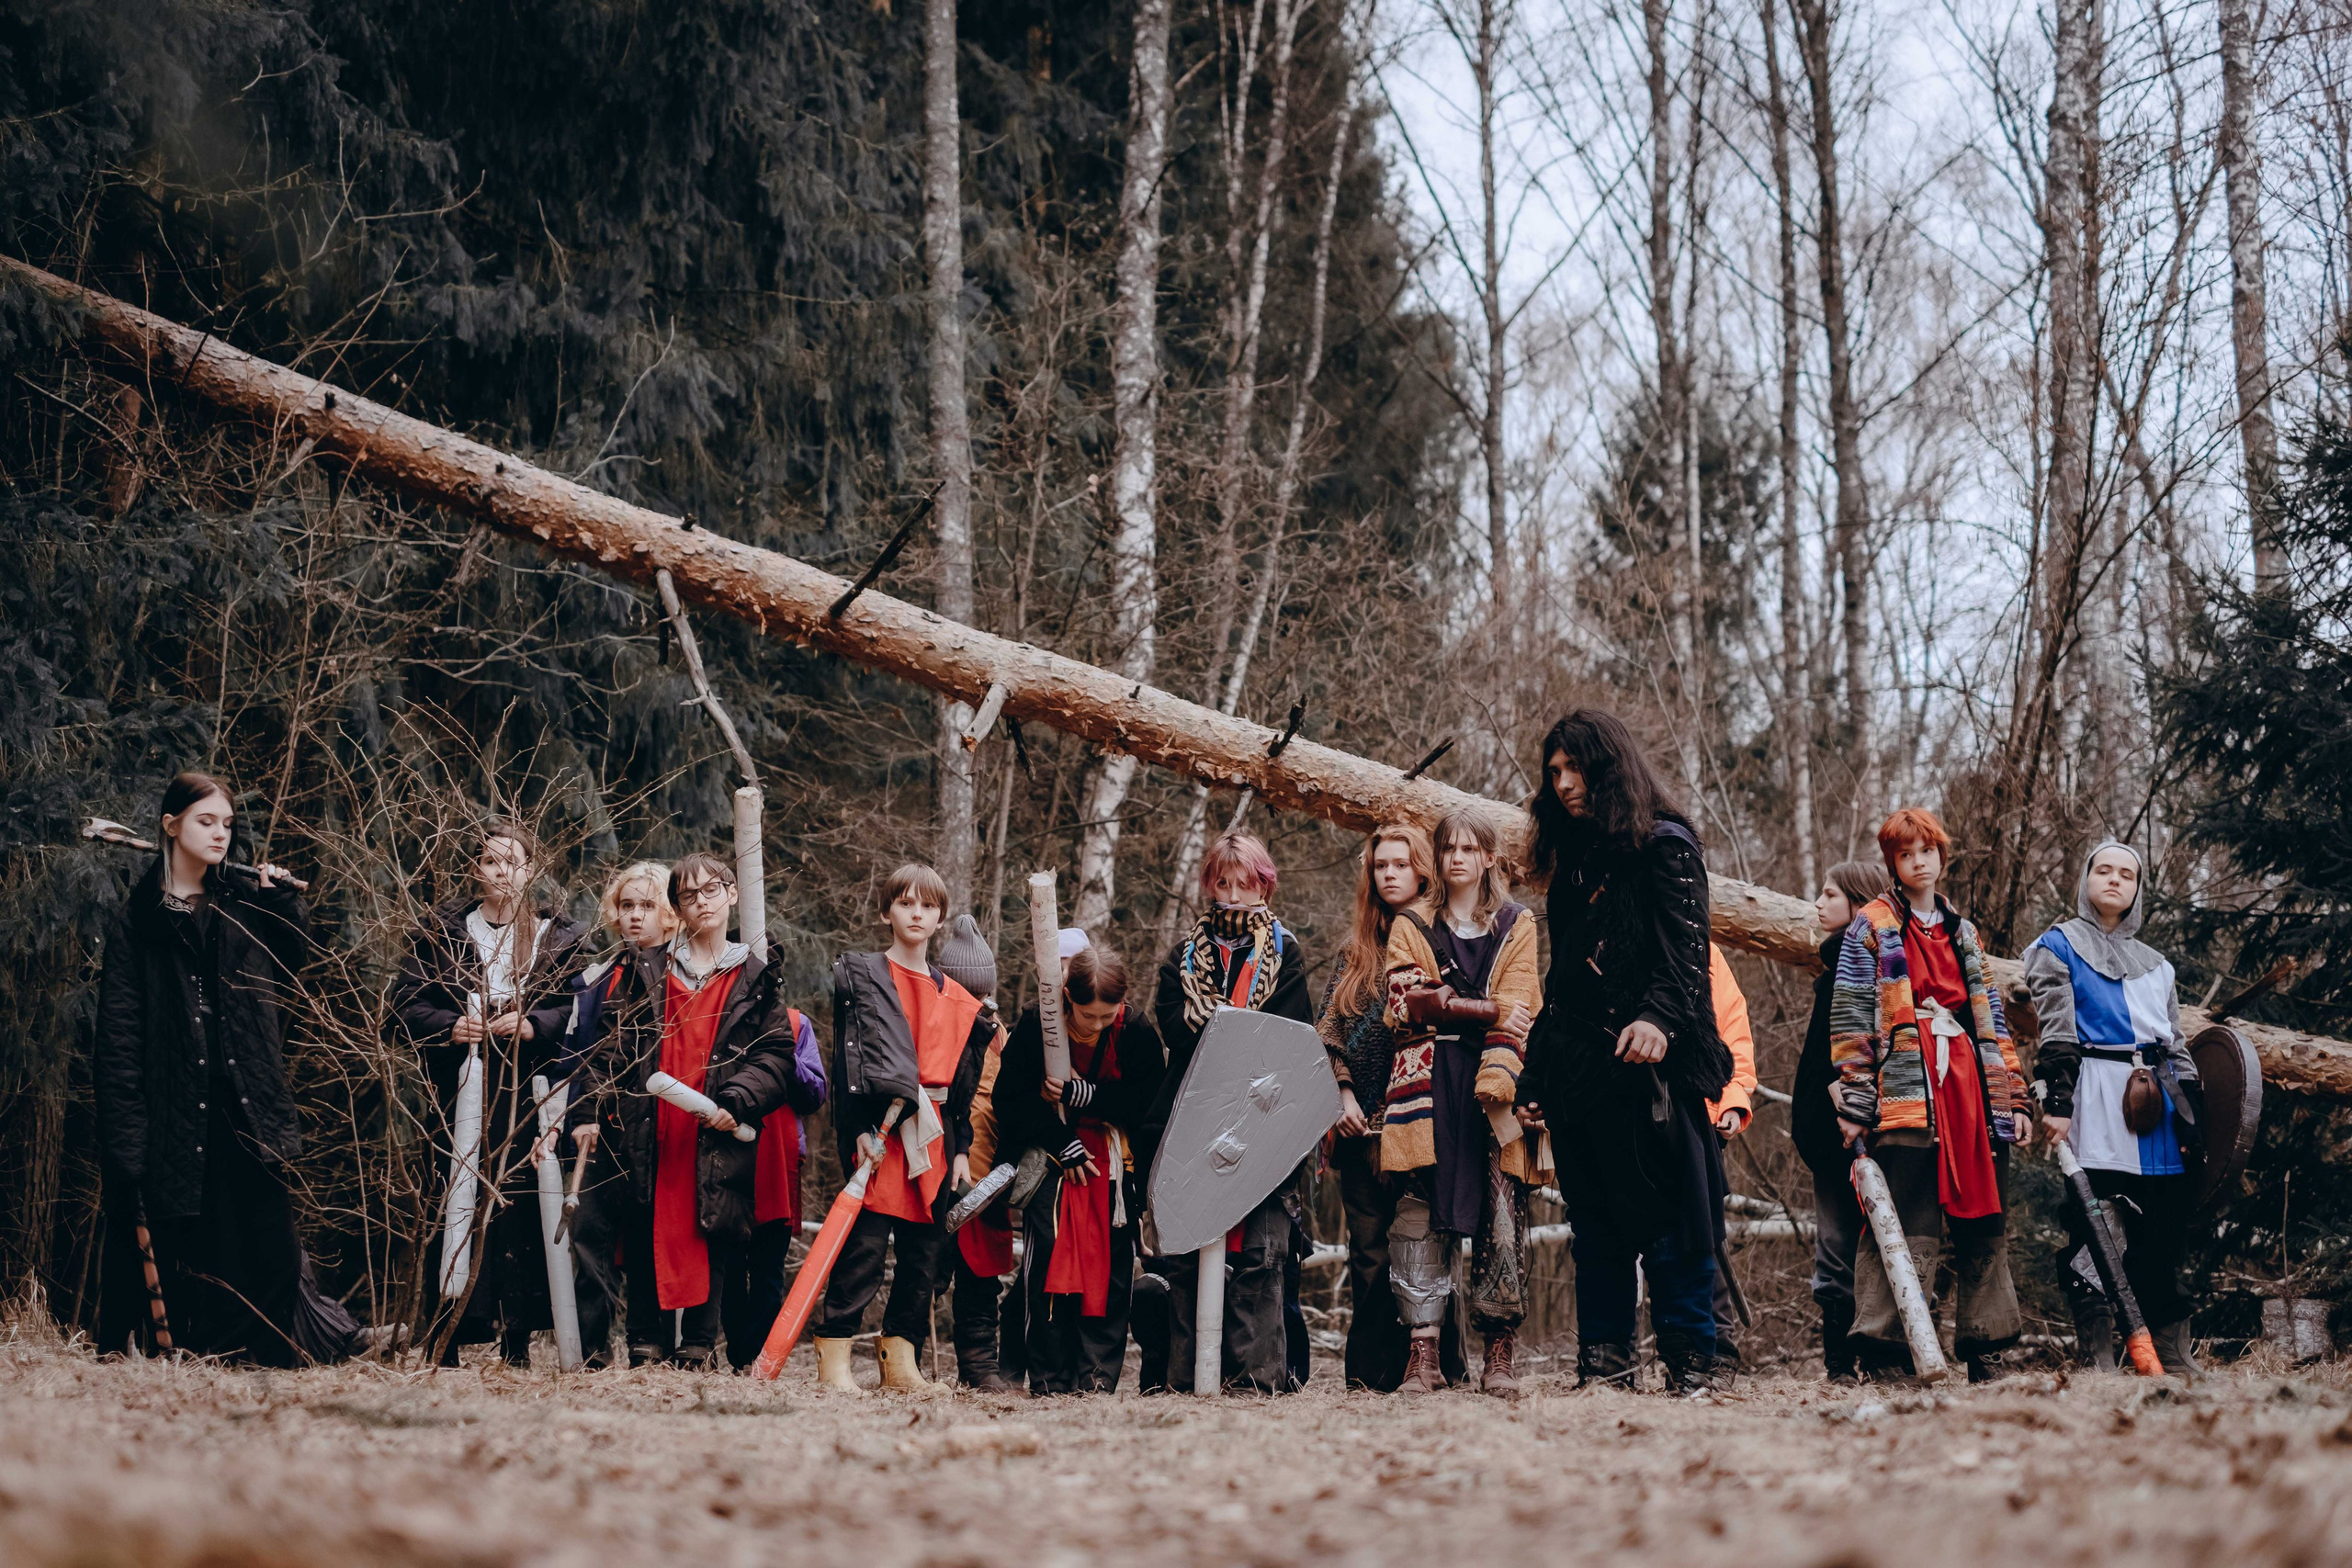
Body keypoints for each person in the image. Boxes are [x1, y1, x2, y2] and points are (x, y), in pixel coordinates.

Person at [96, 772, 356, 1365]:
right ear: (171, 826)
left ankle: (266, 1358)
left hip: (247, 1099)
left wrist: (282, 896)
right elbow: (119, 1039)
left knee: (272, 1244)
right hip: (177, 1107)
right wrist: (127, 1141)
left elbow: (297, 958)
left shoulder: (243, 900)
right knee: (196, 1240)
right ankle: (204, 1359)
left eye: (227, 823)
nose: (220, 833)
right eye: (205, 821)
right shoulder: (139, 922)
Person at [1520, 710, 1735, 1394]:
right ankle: (1604, 1367)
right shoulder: (1574, 861)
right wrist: (1535, 1070)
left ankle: (1692, 1366)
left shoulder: (1666, 844)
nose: (1562, 784)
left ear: (1607, 765)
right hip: (1581, 1070)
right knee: (1597, 1229)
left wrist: (1660, 1020)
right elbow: (1561, 981)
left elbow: (1687, 955)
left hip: (1653, 1072)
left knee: (1673, 1225)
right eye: (1553, 772)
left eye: (1573, 768)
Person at [561, 852, 808, 1368]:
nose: (703, 902)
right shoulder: (648, 970)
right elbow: (613, 1045)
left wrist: (736, 1101)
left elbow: (774, 1053)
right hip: (651, 1120)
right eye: (690, 895)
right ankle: (645, 1340)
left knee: (711, 1224)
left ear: (732, 894)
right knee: (647, 1220)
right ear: (678, 906)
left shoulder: (756, 974)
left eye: (712, 890)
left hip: (714, 1119)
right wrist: (588, 1107)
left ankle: (697, 1345)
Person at [1829, 808, 2028, 1382]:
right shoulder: (1871, 923)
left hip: (1970, 1083)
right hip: (1907, 1089)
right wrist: (1856, 1099)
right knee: (1907, 1213)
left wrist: (2011, 1098)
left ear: (1942, 857)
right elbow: (1850, 1018)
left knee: (1983, 1215)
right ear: (1892, 863)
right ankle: (1889, 1350)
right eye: (1905, 854)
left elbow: (1991, 1018)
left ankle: (1984, 1346)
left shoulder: (1964, 931)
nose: (1919, 862)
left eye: (1927, 851)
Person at [394, 820, 588, 1365]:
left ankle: (518, 1338)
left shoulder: (559, 938)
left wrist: (533, 1025)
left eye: (514, 862)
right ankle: (447, 1334)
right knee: (452, 1203)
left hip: (528, 1094)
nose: (503, 872)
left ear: (531, 870)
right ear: (475, 869)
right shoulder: (442, 932)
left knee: (521, 1209)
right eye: (491, 861)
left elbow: (581, 1012)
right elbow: (405, 1006)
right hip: (455, 1091)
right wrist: (451, 1026)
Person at [1137, 829, 1315, 1393]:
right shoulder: (1182, 957)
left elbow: (1288, 1040)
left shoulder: (1286, 953)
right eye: (1223, 884)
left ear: (1265, 885)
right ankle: (1185, 1380)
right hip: (1189, 1116)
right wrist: (1232, 1033)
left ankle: (1255, 1382)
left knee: (1260, 1255)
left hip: (1264, 1120)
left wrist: (1230, 1035)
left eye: (1245, 884)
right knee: (1187, 1256)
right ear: (1209, 886)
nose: (1234, 895)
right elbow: (1175, 1027)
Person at [2023, 840, 2203, 1376]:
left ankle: (2168, 1350)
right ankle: (2098, 1350)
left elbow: (2176, 1042)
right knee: (2094, 1222)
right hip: (2095, 1097)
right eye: (2104, 870)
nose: (2114, 880)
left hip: (2159, 1108)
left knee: (2162, 1229)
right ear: (2086, 878)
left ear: (2137, 889)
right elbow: (2056, 1031)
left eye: (2127, 874)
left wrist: (2194, 1111)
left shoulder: (2159, 967)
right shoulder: (2057, 946)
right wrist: (2057, 1100)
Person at [814, 863, 995, 1393]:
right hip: (882, 1135)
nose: (916, 913)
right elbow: (846, 1065)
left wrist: (961, 1148)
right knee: (865, 1250)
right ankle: (835, 1362)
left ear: (940, 918)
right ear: (885, 910)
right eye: (905, 903)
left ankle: (901, 1363)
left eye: (928, 905)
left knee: (924, 1256)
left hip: (935, 1139)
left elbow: (960, 1085)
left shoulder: (957, 996)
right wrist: (858, 1134)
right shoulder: (865, 976)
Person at [1379, 809, 1542, 1395]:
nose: (1456, 860)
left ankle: (1499, 1352)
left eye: (1470, 849)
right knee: (1421, 1211)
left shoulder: (1516, 923)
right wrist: (1488, 1008)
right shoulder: (1410, 924)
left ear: (1489, 859)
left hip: (1495, 1085)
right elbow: (1406, 1003)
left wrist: (1462, 1005)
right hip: (1427, 1080)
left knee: (1502, 1213)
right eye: (1448, 848)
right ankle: (1422, 1355)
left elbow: (1524, 1001)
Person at [995, 945, 1167, 1393]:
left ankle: (1097, 1381)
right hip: (1051, 1166)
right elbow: (1008, 1101)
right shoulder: (1037, 1024)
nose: (1096, 1025)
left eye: (1106, 1017)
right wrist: (1060, 1141)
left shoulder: (1136, 1030)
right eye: (1087, 1016)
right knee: (1048, 1266)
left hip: (1114, 1168)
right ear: (1067, 998)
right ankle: (1050, 1379)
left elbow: (1150, 1105)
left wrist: (1088, 1095)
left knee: (1110, 1269)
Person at [1317, 822, 1444, 1392]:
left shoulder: (1444, 941)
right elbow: (1327, 1032)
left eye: (1399, 863)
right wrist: (1342, 1094)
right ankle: (1372, 1374)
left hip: (1423, 1125)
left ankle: (1439, 1365)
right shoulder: (1354, 953)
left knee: (1426, 1246)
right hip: (1358, 1128)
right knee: (1368, 1252)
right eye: (1379, 865)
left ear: (1422, 869)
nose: (1388, 873)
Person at [557, 862, 679, 1367]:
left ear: (670, 914)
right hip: (598, 1125)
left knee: (651, 1236)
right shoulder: (596, 977)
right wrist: (577, 1114)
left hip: (658, 1125)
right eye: (627, 905)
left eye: (647, 906)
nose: (634, 916)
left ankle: (648, 1344)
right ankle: (592, 1349)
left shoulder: (685, 976)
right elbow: (579, 1054)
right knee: (589, 1233)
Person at [1789, 860, 1893, 1381]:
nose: (1818, 904)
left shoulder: (1872, 971)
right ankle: (1839, 1362)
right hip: (1831, 1139)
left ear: (1858, 902)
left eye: (1829, 894)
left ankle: (1879, 1355)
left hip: (1874, 1133)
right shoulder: (1831, 971)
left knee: (1880, 1240)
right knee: (1834, 1247)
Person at [936, 914, 1023, 1393]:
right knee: (926, 1268)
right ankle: (903, 1354)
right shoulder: (935, 1025)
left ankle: (978, 1367)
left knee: (981, 1276)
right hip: (938, 1165)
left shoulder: (1000, 1034)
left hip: (987, 1177)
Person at [1704, 945, 1758, 1370]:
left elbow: (1733, 1037)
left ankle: (1718, 1351)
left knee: (1703, 1239)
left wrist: (1732, 1103)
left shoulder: (1706, 954)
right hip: (1624, 1120)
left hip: (1700, 1122)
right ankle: (1615, 1360)